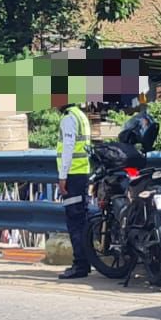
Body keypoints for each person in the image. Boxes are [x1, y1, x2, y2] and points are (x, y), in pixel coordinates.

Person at [56, 100, 93, 280]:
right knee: (82, 219)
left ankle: (80, 264)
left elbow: (69, 147)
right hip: (82, 172)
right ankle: (84, 262)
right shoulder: (81, 116)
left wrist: (63, 176)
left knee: (74, 221)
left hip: (73, 175)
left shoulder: (69, 118)